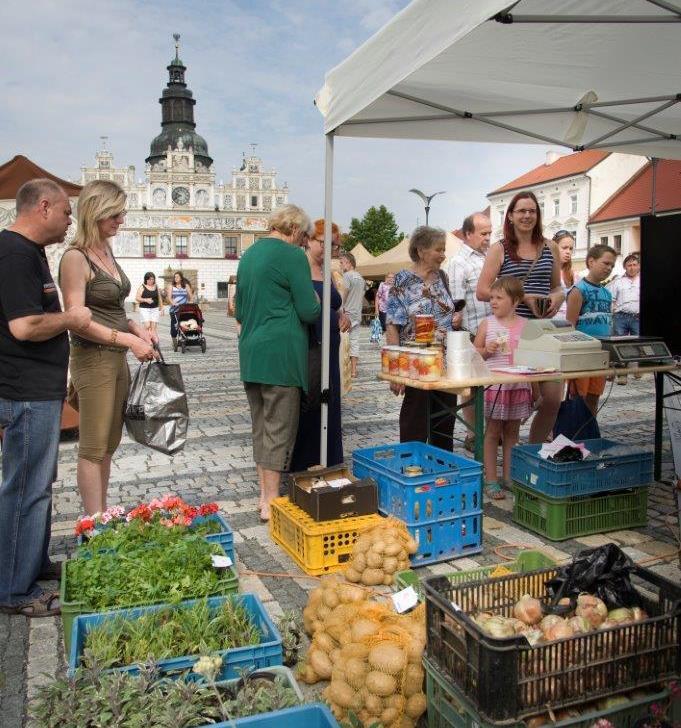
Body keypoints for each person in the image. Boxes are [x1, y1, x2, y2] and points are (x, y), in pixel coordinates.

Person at [0, 179, 92, 617]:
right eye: (65, 212)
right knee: (25, 488)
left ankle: (31, 563)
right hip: (24, 391)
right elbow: (23, 327)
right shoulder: (14, 254)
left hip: (39, 389)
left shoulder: (30, 253)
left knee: (38, 483)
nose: (69, 219)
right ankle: (14, 590)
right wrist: (70, 318)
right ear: (42, 207)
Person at [59, 180, 157, 516]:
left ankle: (100, 514)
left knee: (109, 444)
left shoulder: (106, 250)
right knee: (93, 445)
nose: (121, 221)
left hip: (115, 358)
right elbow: (77, 318)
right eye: (114, 214)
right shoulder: (76, 258)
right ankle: (93, 522)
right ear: (95, 212)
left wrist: (136, 328)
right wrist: (128, 339)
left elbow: (113, 309)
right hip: (93, 359)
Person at [235, 204, 320, 521]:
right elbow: (308, 311)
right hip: (281, 353)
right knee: (279, 428)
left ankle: (263, 494)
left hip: (252, 353)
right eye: (304, 236)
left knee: (261, 426)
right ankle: (271, 500)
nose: (303, 243)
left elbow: (240, 311)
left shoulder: (249, 254)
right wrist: (319, 301)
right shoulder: (293, 255)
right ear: (296, 230)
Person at [477, 190, 565, 444]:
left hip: (542, 331)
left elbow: (556, 286)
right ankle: (507, 458)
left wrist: (558, 297)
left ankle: (533, 451)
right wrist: (521, 296)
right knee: (510, 401)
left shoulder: (551, 247)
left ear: (538, 215)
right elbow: (483, 290)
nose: (527, 216)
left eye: (532, 211)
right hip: (512, 332)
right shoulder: (500, 248)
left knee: (553, 397)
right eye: (521, 211)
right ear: (511, 217)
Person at [386, 226, 464, 451]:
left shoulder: (442, 277)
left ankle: (441, 472)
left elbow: (446, 311)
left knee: (444, 424)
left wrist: (455, 317)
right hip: (416, 362)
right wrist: (395, 371)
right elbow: (393, 326)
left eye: (444, 250)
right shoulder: (402, 281)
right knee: (415, 424)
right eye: (438, 250)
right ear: (421, 251)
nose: (443, 255)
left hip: (444, 363)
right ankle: (412, 470)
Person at [290, 220, 351, 472]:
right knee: (310, 402)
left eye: (334, 244)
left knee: (330, 400)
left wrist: (342, 314)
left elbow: (335, 304)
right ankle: (304, 461)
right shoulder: (298, 268)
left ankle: (329, 457)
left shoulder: (329, 271)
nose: (330, 248)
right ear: (309, 240)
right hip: (308, 345)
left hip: (330, 345)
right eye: (324, 242)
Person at [474, 277, 533, 499]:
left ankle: (509, 477)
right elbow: (474, 352)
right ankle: (491, 479)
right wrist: (487, 350)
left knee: (512, 434)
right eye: (492, 298)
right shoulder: (487, 324)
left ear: (515, 301)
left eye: (499, 298)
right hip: (494, 386)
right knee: (492, 433)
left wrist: (535, 391)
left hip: (518, 386)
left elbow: (533, 355)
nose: (494, 302)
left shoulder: (525, 325)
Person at [448, 212, 492, 450]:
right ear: (467, 234)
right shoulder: (458, 262)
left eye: (489, 233)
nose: (487, 237)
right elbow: (456, 302)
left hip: (492, 330)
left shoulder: (489, 257)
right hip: (471, 331)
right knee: (470, 389)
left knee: (491, 385)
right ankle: (473, 434)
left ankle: (491, 431)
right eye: (483, 233)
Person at [566, 244, 617, 415]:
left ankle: (589, 432)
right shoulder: (579, 290)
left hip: (600, 353)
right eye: (606, 263)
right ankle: (574, 435)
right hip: (582, 354)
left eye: (612, 265)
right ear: (591, 261)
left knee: (594, 397)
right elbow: (570, 326)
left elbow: (607, 325)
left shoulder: (607, 293)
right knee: (578, 398)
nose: (609, 268)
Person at [340, 251, 366, 378]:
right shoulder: (361, 278)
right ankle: (354, 371)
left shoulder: (347, 276)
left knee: (343, 342)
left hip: (347, 314)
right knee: (355, 342)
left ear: (348, 263)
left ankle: (343, 369)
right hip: (357, 314)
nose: (340, 265)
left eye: (342, 262)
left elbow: (343, 294)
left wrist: (340, 308)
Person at [608, 253, 640, 335]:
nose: (632, 268)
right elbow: (611, 299)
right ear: (625, 267)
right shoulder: (618, 281)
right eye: (629, 265)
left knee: (638, 343)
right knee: (620, 342)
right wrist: (613, 313)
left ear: (638, 266)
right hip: (620, 318)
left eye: (634, 265)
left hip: (638, 317)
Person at [552, 230, 578, 319]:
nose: (568, 252)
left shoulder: (573, 274)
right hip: (550, 320)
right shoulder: (546, 271)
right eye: (564, 248)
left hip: (569, 320)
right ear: (553, 247)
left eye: (571, 249)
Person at [166, 271, 193, 350]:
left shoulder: (186, 286)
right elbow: (169, 297)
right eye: (175, 277)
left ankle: (184, 339)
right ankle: (174, 340)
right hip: (174, 310)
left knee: (184, 325)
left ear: (181, 278)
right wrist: (172, 302)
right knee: (174, 326)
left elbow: (191, 297)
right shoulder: (171, 286)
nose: (175, 278)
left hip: (183, 310)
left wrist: (190, 302)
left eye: (177, 277)